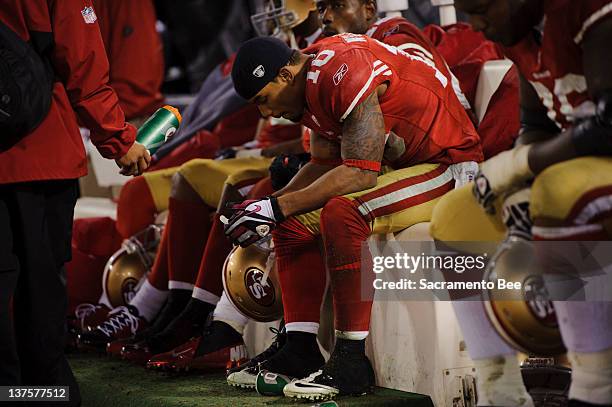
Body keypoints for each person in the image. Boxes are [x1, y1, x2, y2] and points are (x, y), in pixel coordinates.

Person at [224, 26, 483, 399]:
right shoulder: (310, 76)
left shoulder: (342, 72)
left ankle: (350, 360)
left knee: (343, 213)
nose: (268, 113)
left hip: (447, 162)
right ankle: (299, 346)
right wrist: (266, 209)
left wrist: (275, 204)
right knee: (293, 221)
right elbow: (324, 162)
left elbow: (360, 172)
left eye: (265, 99)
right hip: (402, 163)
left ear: (284, 75)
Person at [430, 0, 612, 406]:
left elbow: (609, 123)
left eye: (480, 10)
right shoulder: (522, 31)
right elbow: (537, 124)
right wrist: (522, 179)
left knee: (558, 190)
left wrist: (522, 164)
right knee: (455, 219)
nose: (475, 26)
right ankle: (501, 390)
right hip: (586, 166)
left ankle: (595, 387)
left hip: (595, 166)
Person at [0, 0, 150, 405]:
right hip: (37, 152)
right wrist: (118, 138)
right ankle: (42, 395)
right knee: (40, 288)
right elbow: (79, 56)